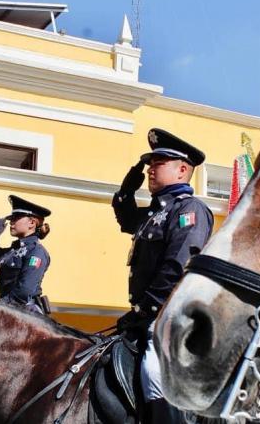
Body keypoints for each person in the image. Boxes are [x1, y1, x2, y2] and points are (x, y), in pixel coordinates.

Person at [112, 128, 214, 422]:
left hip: (174, 313)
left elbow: (178, 265)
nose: (149, 170)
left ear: (182, 169)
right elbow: (127, 218)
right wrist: (125, 191)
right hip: (148, 313)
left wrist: (148, 306)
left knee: (153, 369)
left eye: (157, 163)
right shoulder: (156, 212)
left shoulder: (190, 209)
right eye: (149, 164)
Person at [0, 195, 51, 315]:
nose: (11, 223)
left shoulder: (36, 252)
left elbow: (24, 292)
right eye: (11, 219)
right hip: (10, 309)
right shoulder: (15, 250)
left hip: (26, 313)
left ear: (32, 222)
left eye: (16, 218)